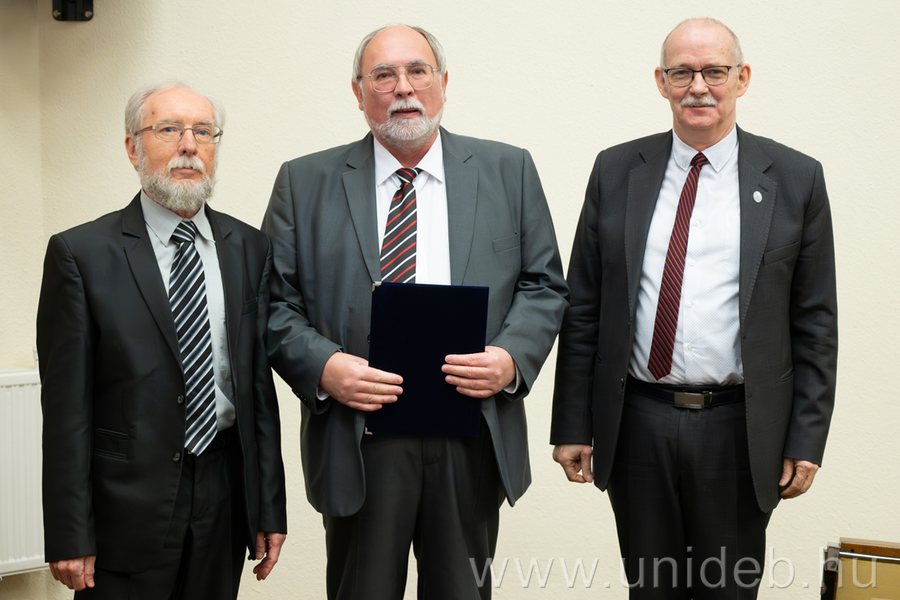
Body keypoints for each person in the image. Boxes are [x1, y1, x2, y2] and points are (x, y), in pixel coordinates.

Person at [262, 24, 568, 600]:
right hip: (359, 435)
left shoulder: (509, 170)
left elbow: (544, 285)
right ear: (358, 92)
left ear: (443, 83)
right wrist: (325, 367)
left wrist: (510, 358)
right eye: (383, 75)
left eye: (417, 71)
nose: (403, 88)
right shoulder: (303, 182)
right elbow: (275, 304)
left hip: (470, 429)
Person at [551, 17, 837, 600]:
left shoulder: (795, 178)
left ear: (742, 78)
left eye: (714, 71)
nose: (698, 87)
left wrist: (806, 439)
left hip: (740, 428)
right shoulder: (615, 170)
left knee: (727, 591)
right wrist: (573, 424)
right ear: (661, 82)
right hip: (638, 421)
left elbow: (815, 322)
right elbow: (583, 306)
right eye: (682, 72)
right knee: (651, 590)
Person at [37, 82, 288, 599]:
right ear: (133, 147)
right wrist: (69, 531)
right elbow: (66, 412)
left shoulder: (250, 248)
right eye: (169, 130)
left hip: (223, 495)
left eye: (203, 132)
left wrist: (268, 507)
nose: (189, 145)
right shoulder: (80, 255)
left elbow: (258, 394)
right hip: (124, 507)